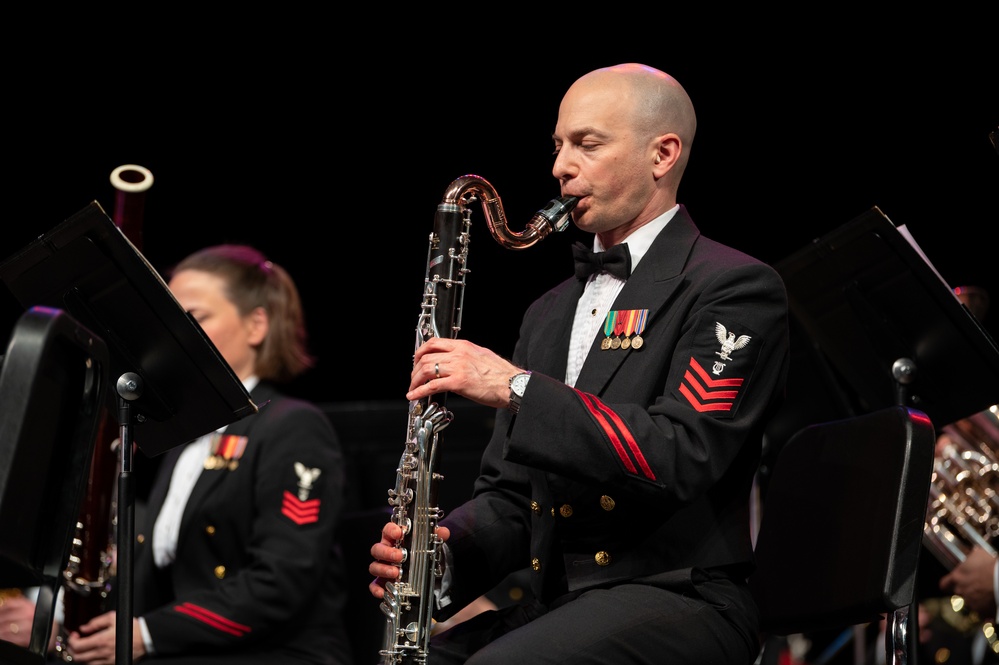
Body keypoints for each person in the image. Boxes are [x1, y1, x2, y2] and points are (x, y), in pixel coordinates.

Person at [368, 62, 791, 664]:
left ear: (662, 154)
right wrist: (441, 556)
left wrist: (514, 386)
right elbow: (514, 499)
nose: (560, 166)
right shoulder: (547, 312)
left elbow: (682, 451)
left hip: (679, 596)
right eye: (559, 145)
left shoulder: (734, 286)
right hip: (556, 604)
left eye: (587, 144)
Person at [61, 245, 353, 664]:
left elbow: (282, 582)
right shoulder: (187, 437)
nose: (173, 337)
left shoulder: (293, 426)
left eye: (194, 318)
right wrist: (73, 624)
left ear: (256, 326)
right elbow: (154, 578)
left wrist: (146, 633)